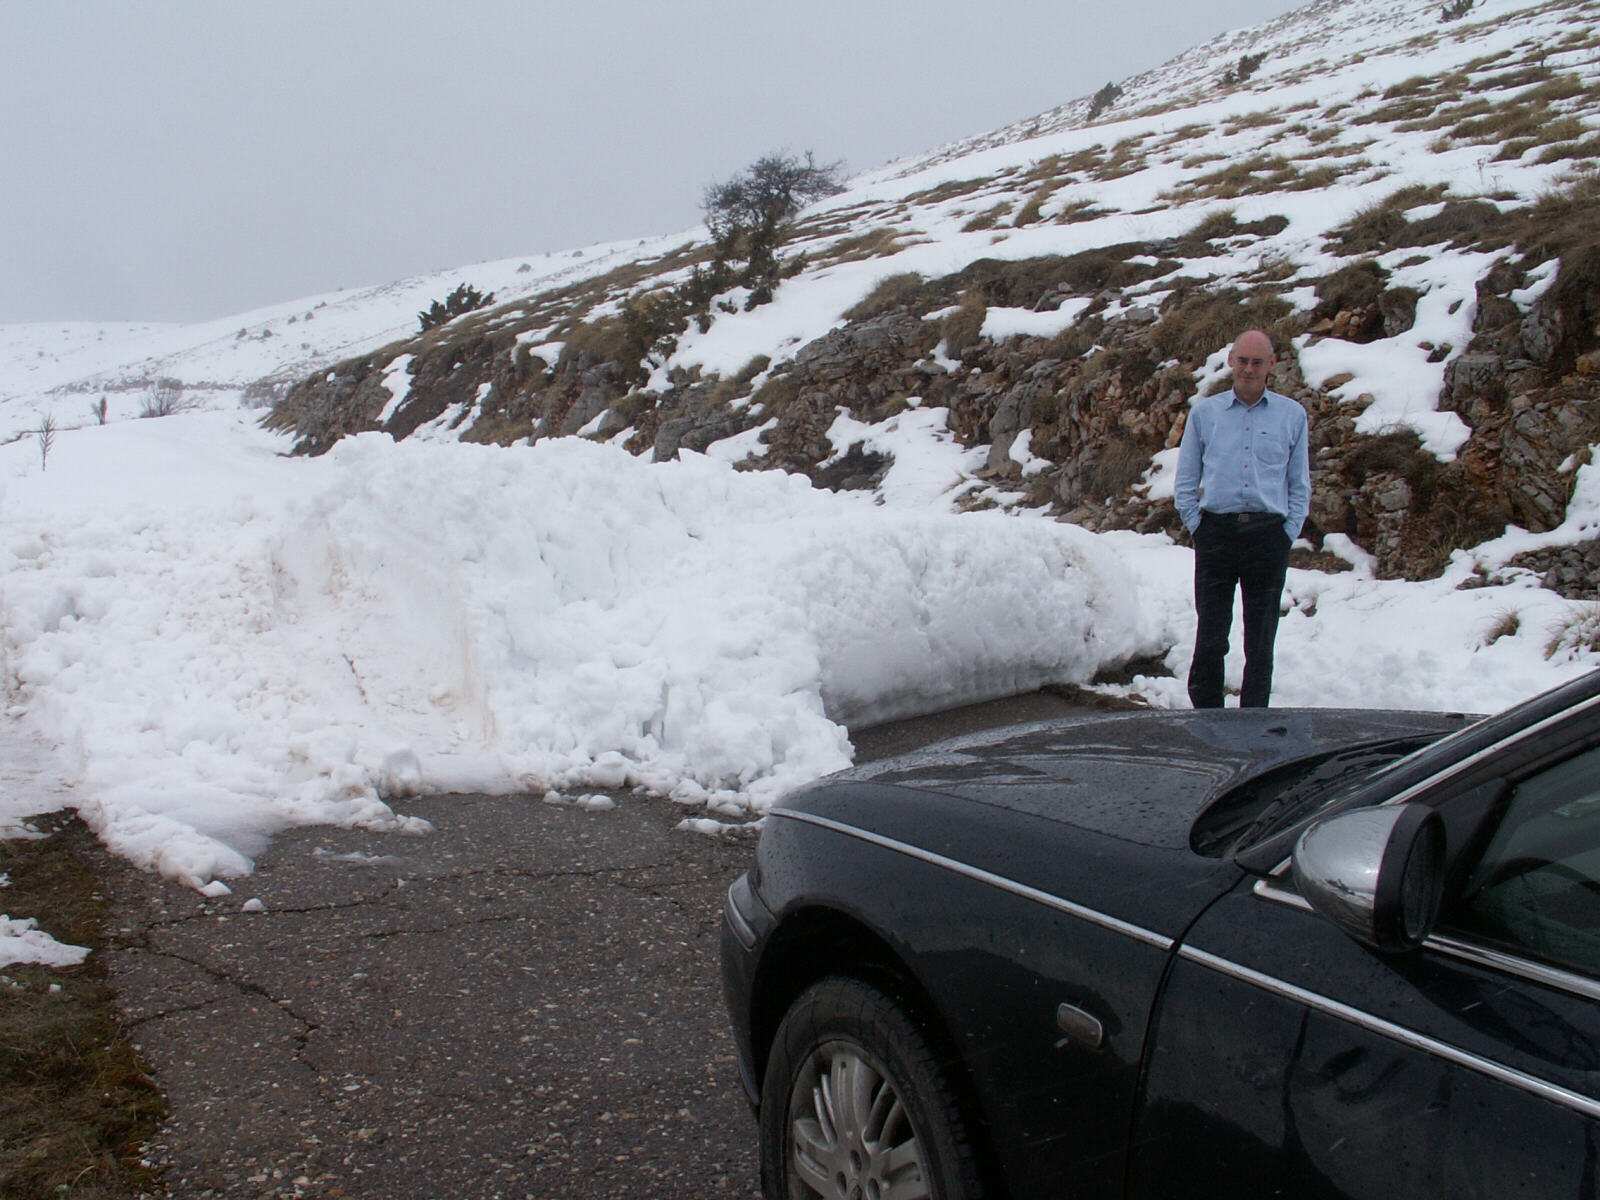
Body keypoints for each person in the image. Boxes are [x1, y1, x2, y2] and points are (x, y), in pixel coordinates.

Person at [1174, 330, 1310, 708]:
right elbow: (1186, 479)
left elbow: (1299, 483)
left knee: (1261, 639)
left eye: (1257, 362)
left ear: (1272, 365)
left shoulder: (1292, 415)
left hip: (1268, 538)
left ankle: (1254, 723)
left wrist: (1287, 532)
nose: (1248, 370)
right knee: (1212, 636)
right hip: (1216, 534)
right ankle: (1207, 719)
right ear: (1231, 360)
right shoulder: (1205, 413)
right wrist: (1198, 527)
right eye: (1243, 361)